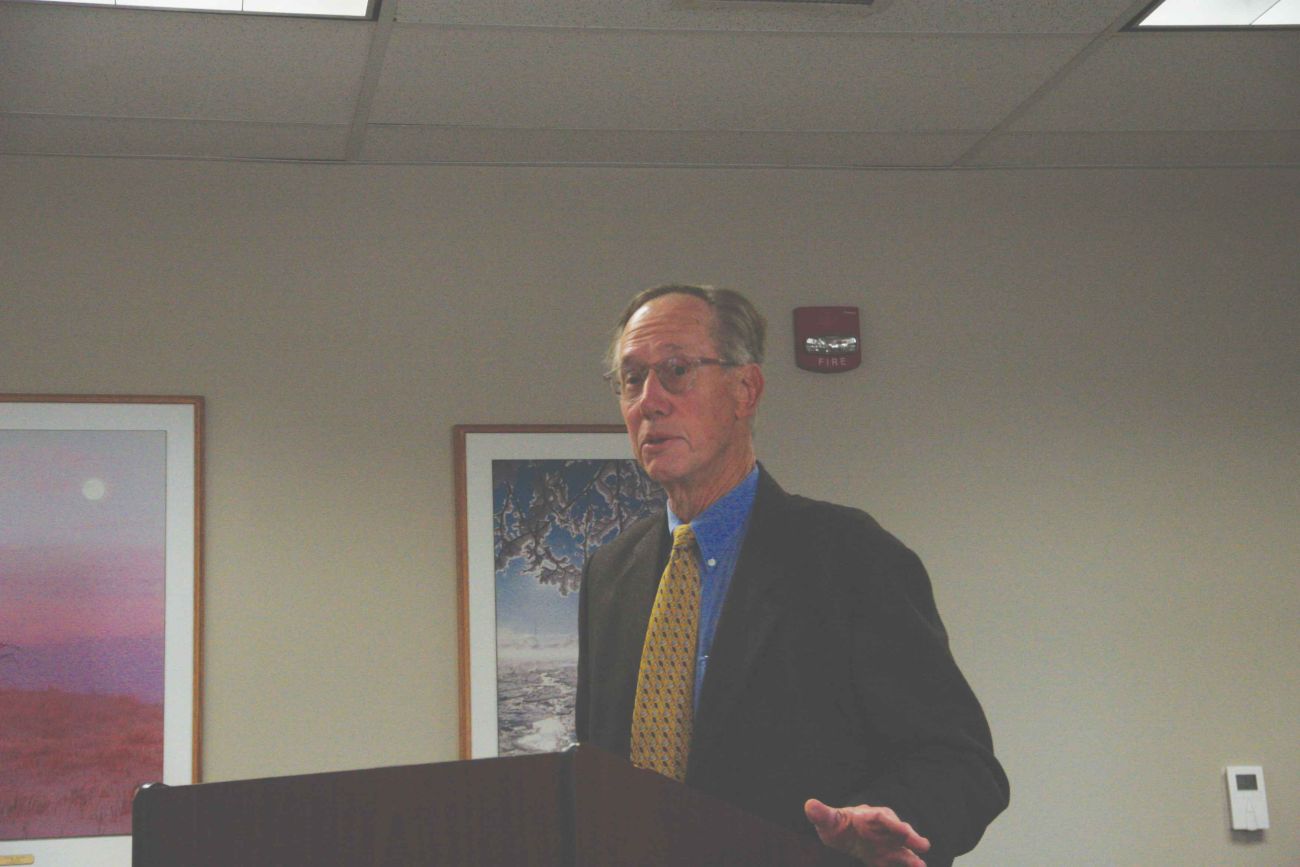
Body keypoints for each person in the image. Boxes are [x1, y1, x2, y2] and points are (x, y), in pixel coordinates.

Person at [575, 285, 1009, 867]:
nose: (649, 401)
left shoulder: (852, 557)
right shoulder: (609, 574)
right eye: (631, 379)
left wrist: (882, 820)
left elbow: (960, 765)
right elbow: (600, 776)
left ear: (745, 390)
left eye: (676, 371)